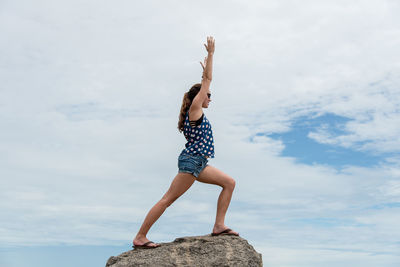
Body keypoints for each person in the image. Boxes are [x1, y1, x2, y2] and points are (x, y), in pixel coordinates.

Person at [132, 36, 238, 249]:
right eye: (208, 95)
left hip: (200, 164)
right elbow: (207, 80)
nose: (210, 98)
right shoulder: (195, 110)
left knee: (229, 183)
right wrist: (210, 55)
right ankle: (140, 236)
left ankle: (219, 225)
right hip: (191, 162)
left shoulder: (197, 113)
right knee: (167, 200)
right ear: (199, 97)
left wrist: (205, 73)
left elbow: (206, 83)